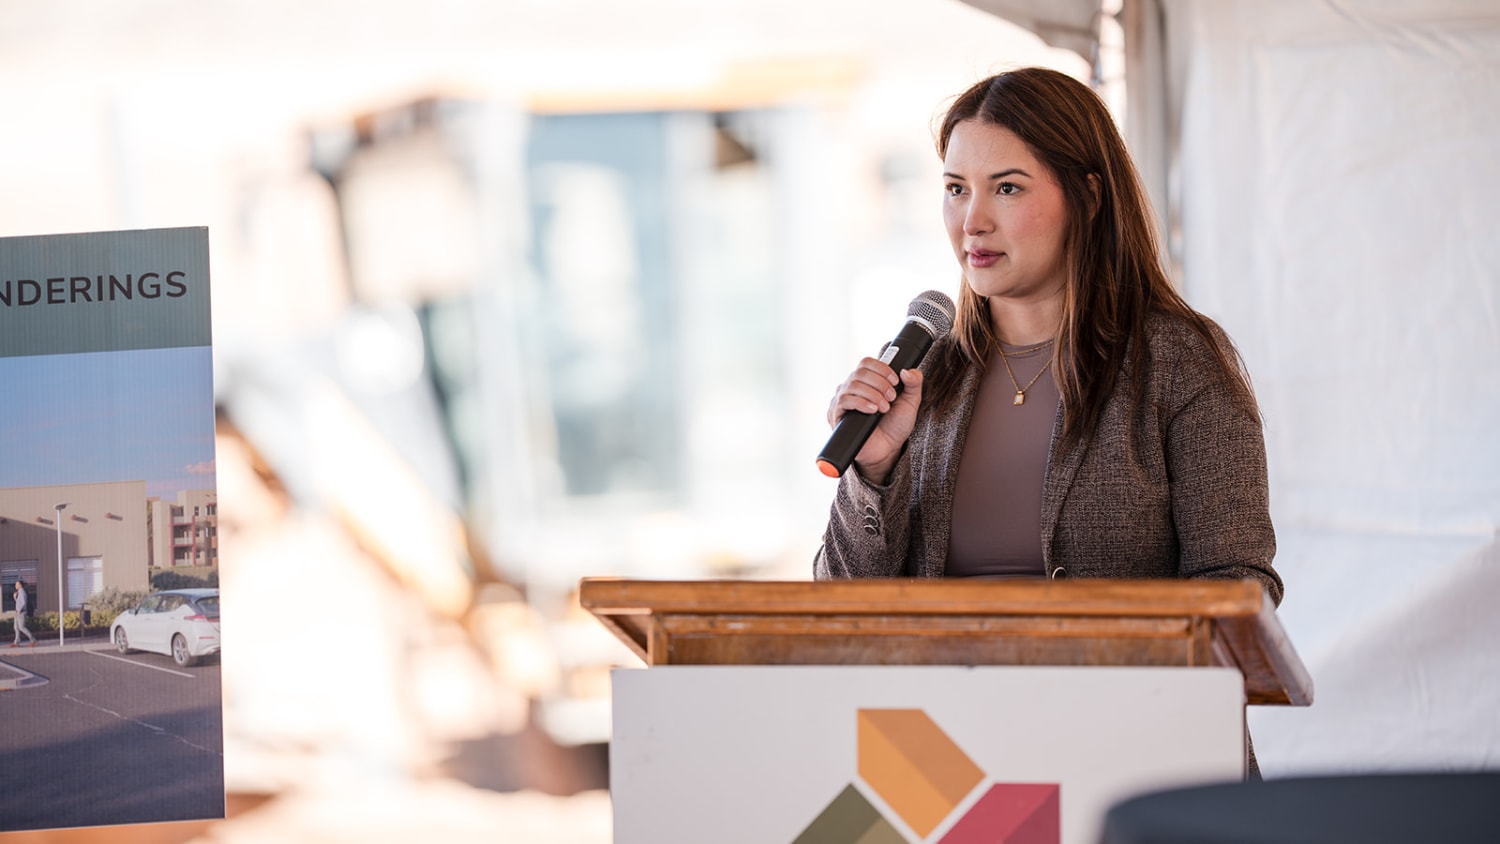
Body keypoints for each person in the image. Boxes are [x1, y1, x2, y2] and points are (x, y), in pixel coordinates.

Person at [812, 68, 1281, 774]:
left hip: (1134, 756)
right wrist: (872, 471)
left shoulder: (1179, 362)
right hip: (948, 767)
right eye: (955, 189)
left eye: (1007, 187)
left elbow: (1239, 587)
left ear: (1087, 196)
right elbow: (838, 610)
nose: (972, 220)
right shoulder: (927, 378)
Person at [12, 579, 36, 647]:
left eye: (16, 584)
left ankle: (33, 639)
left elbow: (23, 603)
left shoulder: (22, 592)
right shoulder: (19, 592)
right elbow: (19, 602)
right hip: (17, 612)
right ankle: (16, 642)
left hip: (21, 612)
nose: (15, 586)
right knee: (16, 627)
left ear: (20, 585)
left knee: (22, 627)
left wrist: (19, 610)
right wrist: (15, 597)